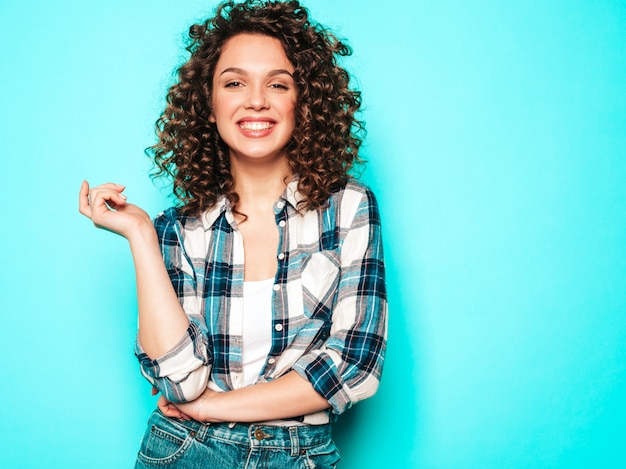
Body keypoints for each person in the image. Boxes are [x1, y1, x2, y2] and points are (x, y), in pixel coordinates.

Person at [78, 0, 387, 467]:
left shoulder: (348, 207)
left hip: (298, 454)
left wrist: (210, 408)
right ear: (209, 104)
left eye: (278, 84)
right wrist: (140, 233)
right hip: (182, 450)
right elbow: (180, 382)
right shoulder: (175, 230)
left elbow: (354, 366)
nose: (256, 100)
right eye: (235, 82)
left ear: (302, 104)